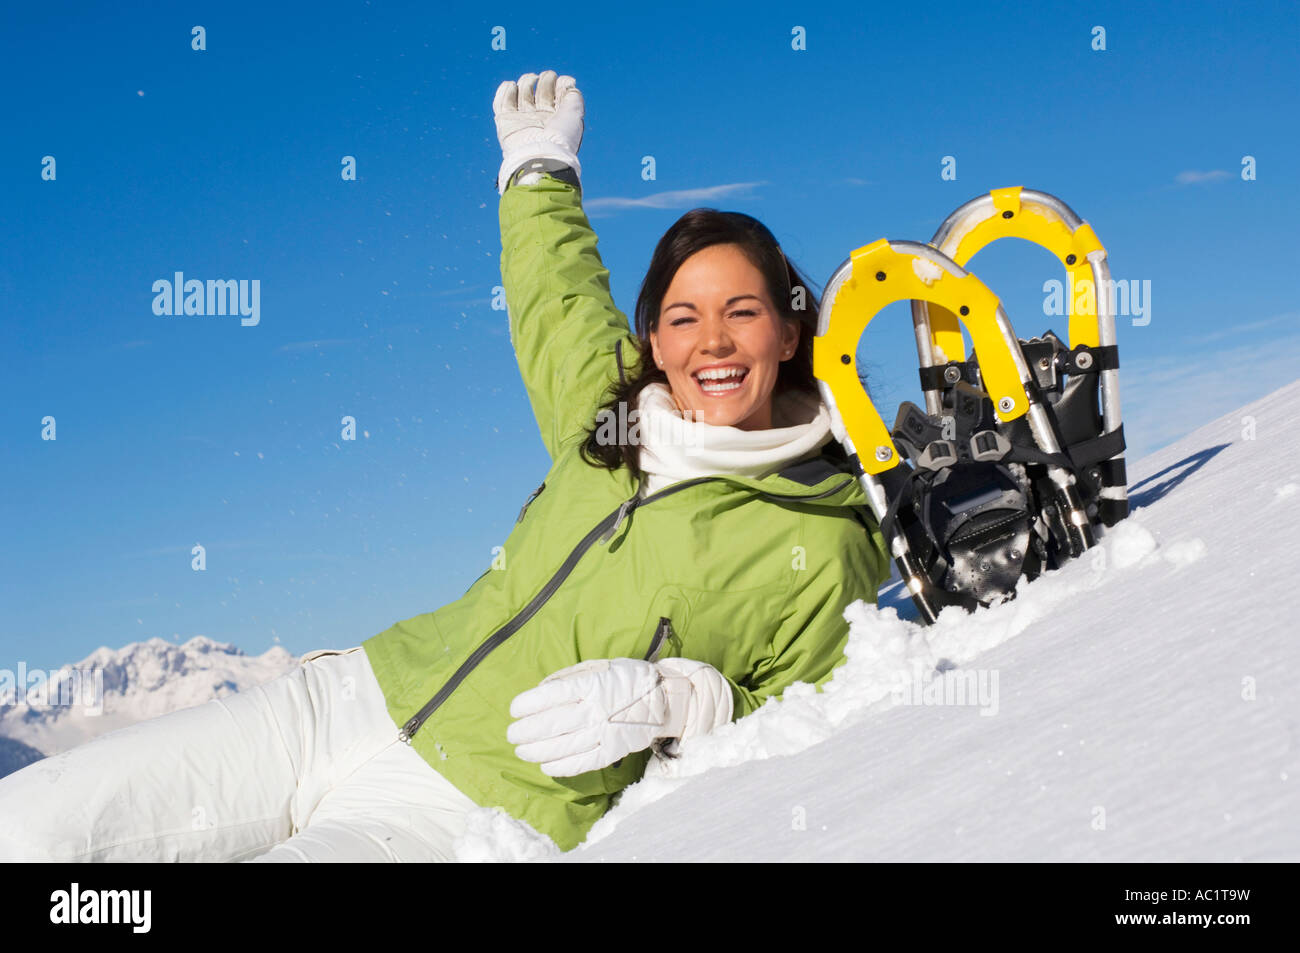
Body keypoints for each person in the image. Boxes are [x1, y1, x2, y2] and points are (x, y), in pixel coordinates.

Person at [0, 70, 888, 862]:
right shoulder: (611, 412)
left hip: (464, 809)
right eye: (685, 317)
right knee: (29, 830)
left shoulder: (821, 531)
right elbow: (557, 295)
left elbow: (810, 719)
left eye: (743, 310)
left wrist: (684, 701)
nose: (715, 341)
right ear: (654, 339)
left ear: (790, 326)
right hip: (349, 700)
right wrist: (538, 168)